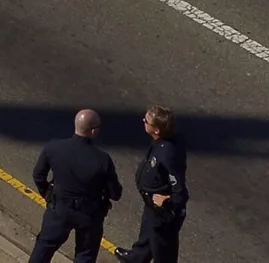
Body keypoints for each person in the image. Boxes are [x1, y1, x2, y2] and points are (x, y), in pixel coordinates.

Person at [26, 108, 123, 263]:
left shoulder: (53, 148)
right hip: (89, 214)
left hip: (59, 209)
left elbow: (38, 175)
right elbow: (115, 194)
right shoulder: (103, 160)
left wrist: (47, 194)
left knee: (44, 247)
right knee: (85, 255)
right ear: (93, 131)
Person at [129, 106, 188, 263]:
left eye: (146, 121)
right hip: (151, 204)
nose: (143, 121)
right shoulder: (160, 142)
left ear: (156, 130)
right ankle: (136, 258)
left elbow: (179, 189)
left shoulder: (168, 153)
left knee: (163, 251)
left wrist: (167, 201)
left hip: (163, 212)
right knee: (147, 235)